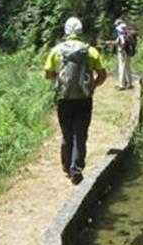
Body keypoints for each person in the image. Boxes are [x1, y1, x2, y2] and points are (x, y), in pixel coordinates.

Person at [44, 16, 107, 185]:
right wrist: (92, 86)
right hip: (84, 99)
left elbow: (47, 74)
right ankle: (76, 169)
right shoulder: (90, 51)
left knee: (67, 133)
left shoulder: (56, 50)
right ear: (80, 32)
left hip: (64, 99)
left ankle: (66, 165)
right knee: (81, 133)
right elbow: (102, 75)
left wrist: (60, 81)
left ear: (66, 31)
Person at [109, 19, 135, 90]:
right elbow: (119, 41)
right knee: (127, 68)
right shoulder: (126, 30)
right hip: (128, 52)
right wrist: (112, 42)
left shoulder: (119, 30)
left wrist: (122, 50)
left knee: (121, 68)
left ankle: (122, 85)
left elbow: (122, 41)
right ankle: (129, 84)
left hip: (122, 52)